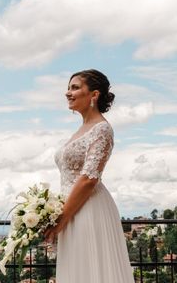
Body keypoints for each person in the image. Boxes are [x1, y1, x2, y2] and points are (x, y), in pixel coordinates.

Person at [44, 69, 134, 282]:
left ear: (94, 95)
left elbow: (89, 178)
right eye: (68, 87)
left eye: (75, 87)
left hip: (88, 208)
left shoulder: (102, 129)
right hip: (71, 209)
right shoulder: (82, 130)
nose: (68, 93)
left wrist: (61, 220)